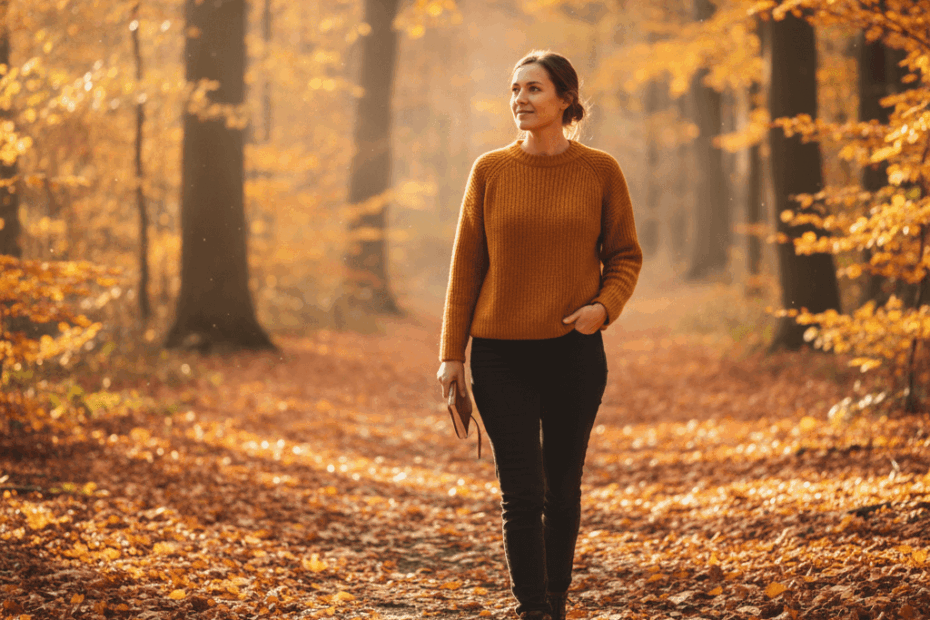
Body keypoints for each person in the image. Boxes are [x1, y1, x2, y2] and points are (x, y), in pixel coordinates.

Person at [436, 50, 643, 620]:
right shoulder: (490, 171)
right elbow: (465, 269)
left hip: (574, 353)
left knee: (562, 488)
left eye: (534, 89)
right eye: (514, 89)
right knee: (522, 493)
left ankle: (555, 600)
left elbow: (625, 254)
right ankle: (534, 610)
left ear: (566, 100)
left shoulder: (600, 171)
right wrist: (451, 355)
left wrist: (605, 307)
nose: (520, 99)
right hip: (501, 356)